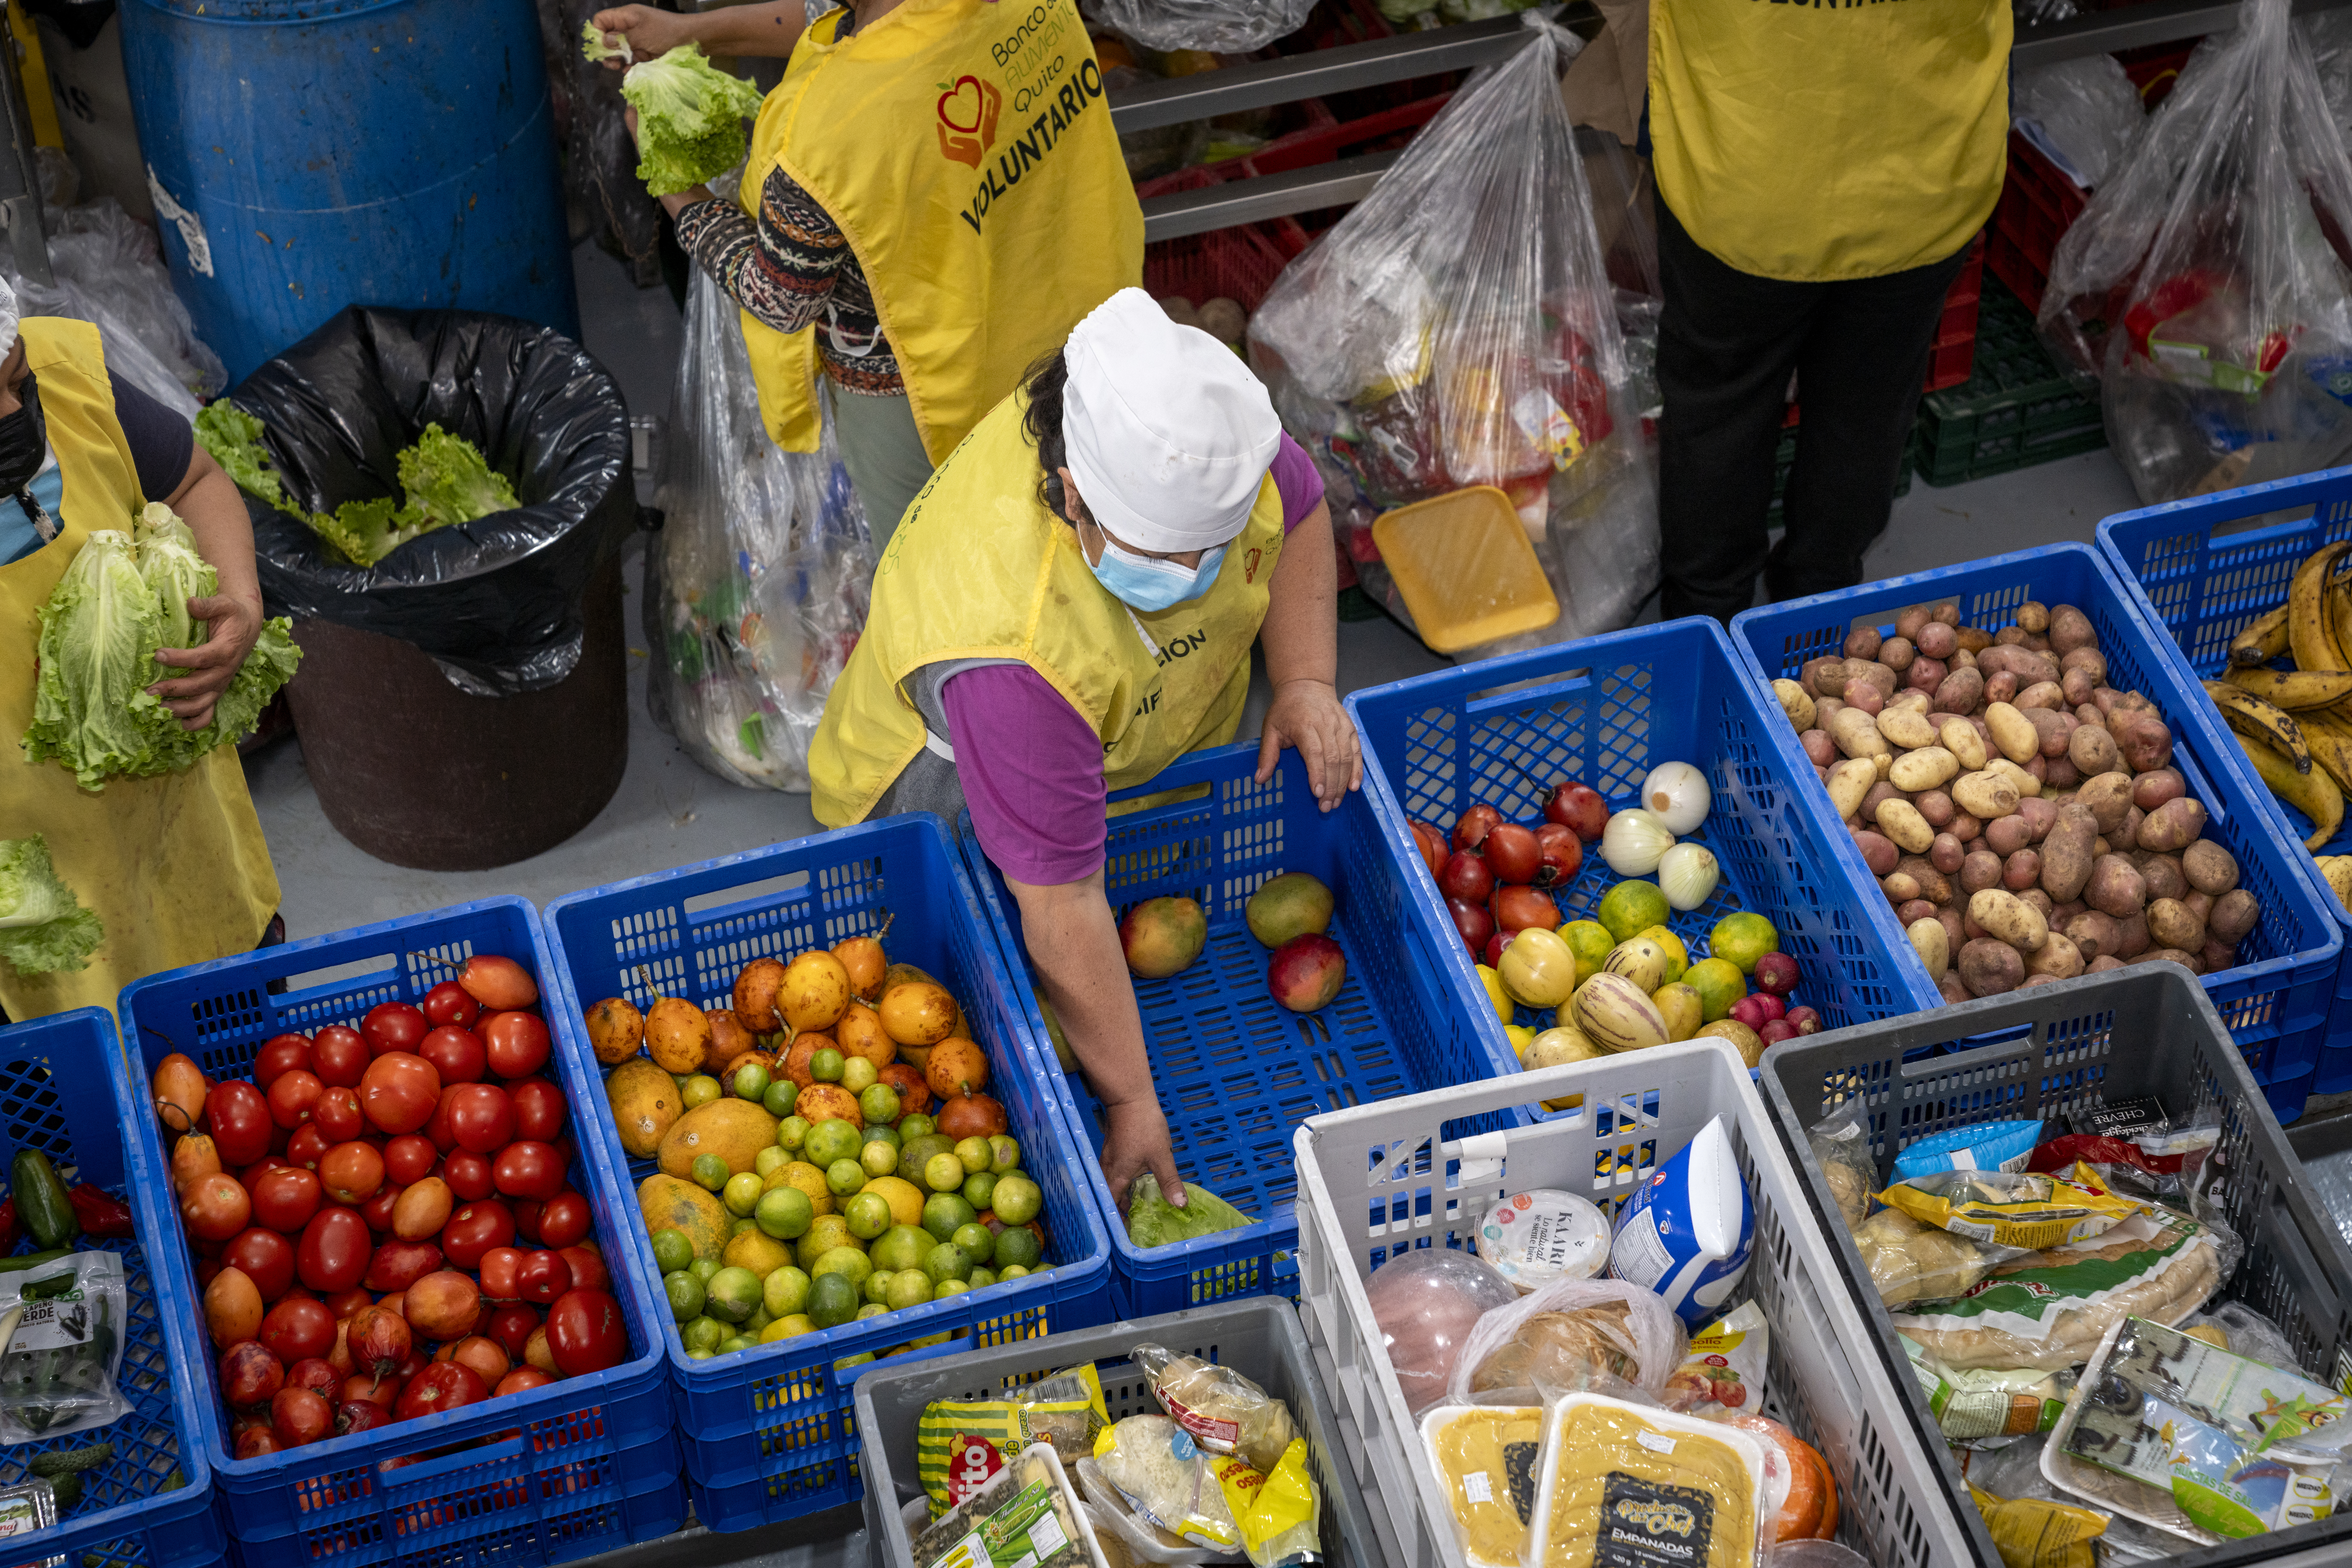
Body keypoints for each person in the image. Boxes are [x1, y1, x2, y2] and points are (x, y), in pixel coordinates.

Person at [807, 289, 1363, 1208]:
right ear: (1069, 493)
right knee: (981, 941)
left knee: (1104, 880)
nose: (1191, 580)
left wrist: (1304, 679)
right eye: (1160, 555)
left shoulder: (1206, 450)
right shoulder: (1012, 653)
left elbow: (1298, 512)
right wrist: (1132, 1097)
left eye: (1209, 551)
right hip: (949, 771)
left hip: (1132, 719)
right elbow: (1063, 902)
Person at [591, 0, 1142, 548]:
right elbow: (859, 20)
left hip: (925, 387)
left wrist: (675, 187)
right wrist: (692, 33)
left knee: (935, 568)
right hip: (1076, 318)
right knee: (1080, 518)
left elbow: (781, 295)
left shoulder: (827, 124)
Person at [1646, 0, 2008, 621]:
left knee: (1720, 412)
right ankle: (1815, 604)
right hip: (1921, 163)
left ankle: (1705, 618)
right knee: (1865, 410)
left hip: (1746, 161)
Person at [0, 289, 282, 1021]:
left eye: (11, 376)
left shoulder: (69, 374)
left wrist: (243, 604)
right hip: (34, 924)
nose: (9, 409)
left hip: (184, 838)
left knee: (237, 1045)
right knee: (75, 1100)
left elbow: (196, 480)